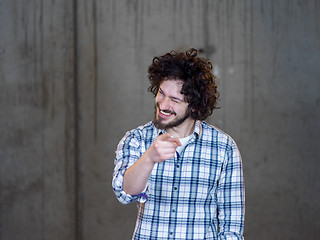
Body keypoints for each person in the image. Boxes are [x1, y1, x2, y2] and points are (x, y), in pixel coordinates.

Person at [112, 48, 245, 239]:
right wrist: (149, 158)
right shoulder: (137, 139)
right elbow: (124, 193)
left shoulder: (224, 147)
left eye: (174, 100)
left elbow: (232, 228)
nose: (163, 104)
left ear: (194, 105)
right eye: (161, 93)